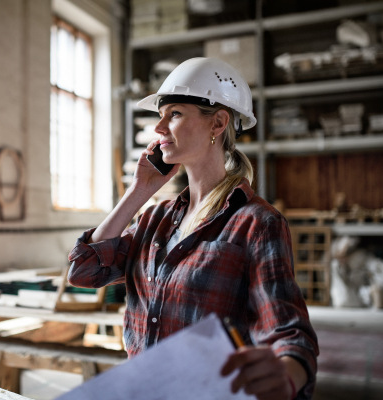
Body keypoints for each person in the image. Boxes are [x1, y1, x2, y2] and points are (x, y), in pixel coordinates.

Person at [67, 57, 318, 400]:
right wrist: (139, 191)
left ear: (217, 123)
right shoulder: (154, 219)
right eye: (161, 115)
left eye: (174, 114)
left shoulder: (257, 223)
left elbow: (289, 333)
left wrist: (287, 373)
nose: (158, 128)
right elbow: (84, 270)